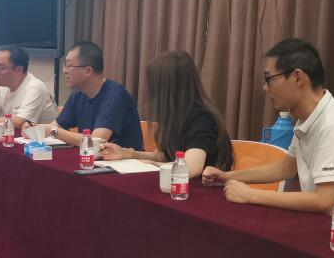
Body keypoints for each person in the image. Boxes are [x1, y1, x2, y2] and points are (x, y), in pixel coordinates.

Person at [201, 38, 334, 224]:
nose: (265, 88)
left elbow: (324, 201)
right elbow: (286, 167)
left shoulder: (332, 124)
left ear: (298, 78)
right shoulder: (308, 117)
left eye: (270, 79)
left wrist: (251, 195)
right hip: (319, 225)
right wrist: (228, 177)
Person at [98, 51, 233, 177]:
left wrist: (154, 165)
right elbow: (163, 155)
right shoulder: (175, 115)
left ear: (165, 88)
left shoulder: (202, 118)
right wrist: (127, 153)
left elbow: (191, 168)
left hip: (202, 190)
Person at [31, 41, 144, 150]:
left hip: (126, 161)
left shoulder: (115, 96)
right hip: (94, 158)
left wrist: (54, 132)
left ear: (88, 71)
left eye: (69, 65)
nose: (64, 70)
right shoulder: (78, 93)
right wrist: (33, 129)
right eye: (65, 65)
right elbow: (56, 126)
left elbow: (95, 141)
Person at [0, 46, 58, 129]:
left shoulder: (35, 87)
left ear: (19, 69)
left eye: (0, 68)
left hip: (43, 139)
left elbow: (20, 122)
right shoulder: (4, 85)